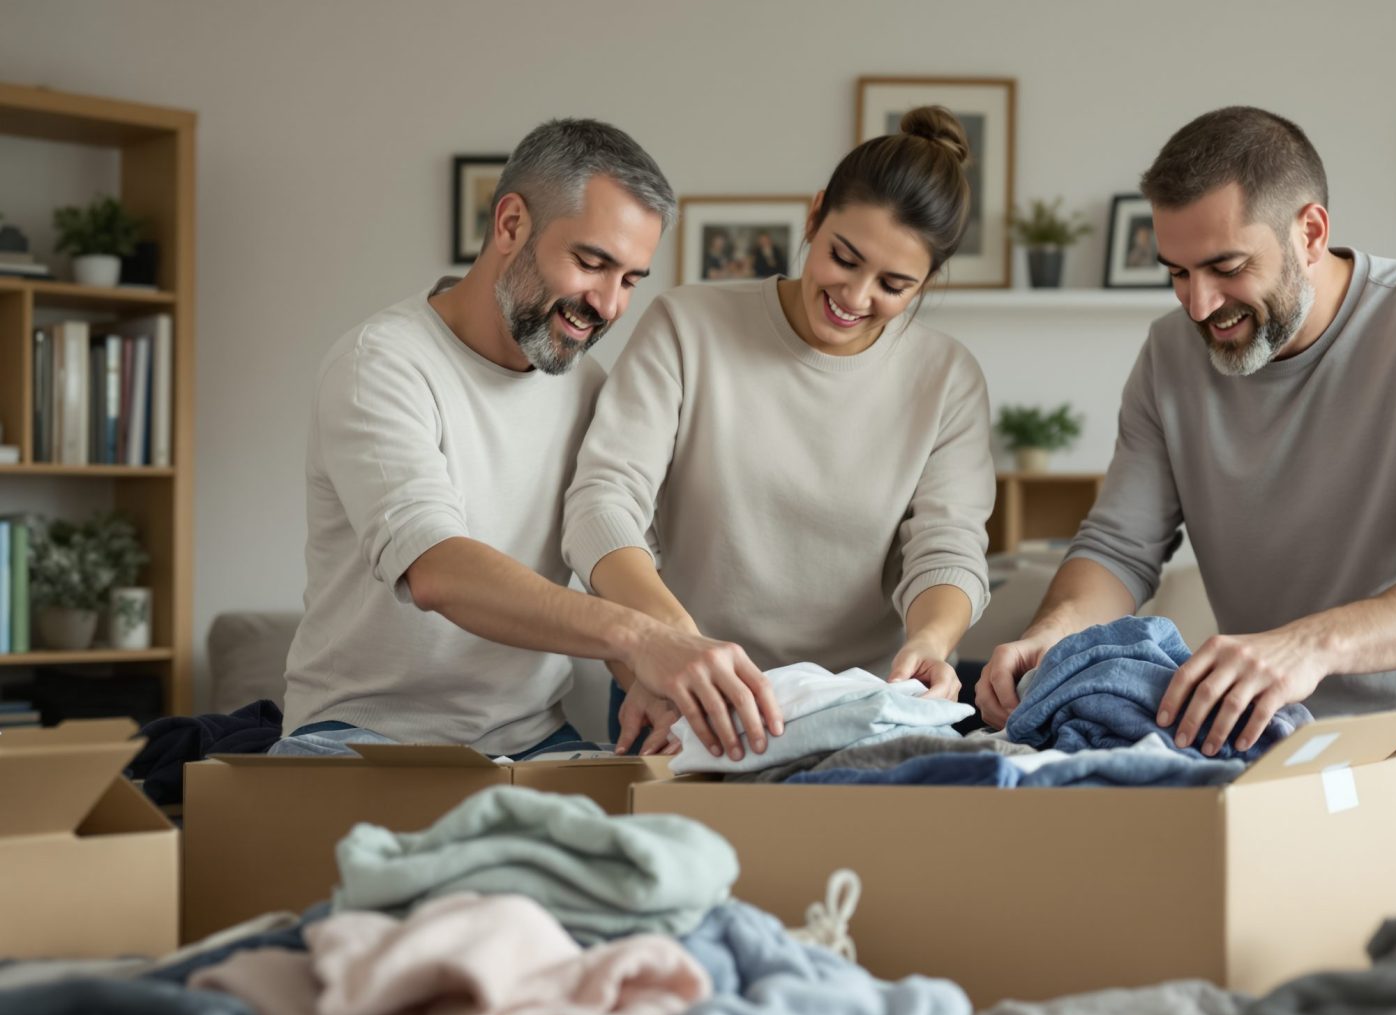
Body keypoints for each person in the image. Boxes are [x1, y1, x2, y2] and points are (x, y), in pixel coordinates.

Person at [975, 106, 1396, 919]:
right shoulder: (1169, 357)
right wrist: (1049, 635)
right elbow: (1119, 548)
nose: (1200, 305)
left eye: (1227, 267)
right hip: (1268, 730)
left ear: (1311, 232)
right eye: (1175, 273)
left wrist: (1310, 645)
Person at [275, 118, 781, 763]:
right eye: (592, 263)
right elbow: (437, 569)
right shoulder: (380, 363)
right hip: (359, 736)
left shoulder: (594, 392)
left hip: (533, 739)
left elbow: (608, 569)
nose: (609, 304)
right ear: (511, 224)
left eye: (629, 279)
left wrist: (651, 685)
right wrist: (637, 639)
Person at [565, 106, 994, 756]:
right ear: (814, 215)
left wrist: (931, 643)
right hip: (683, 695)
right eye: (843, 258)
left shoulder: (946, 378)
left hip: (858, 708)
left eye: (894, 284)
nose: (855, 295)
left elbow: (946, 544)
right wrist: (670, 641)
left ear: (928, 282)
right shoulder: (688, 327)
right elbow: (603, 504)